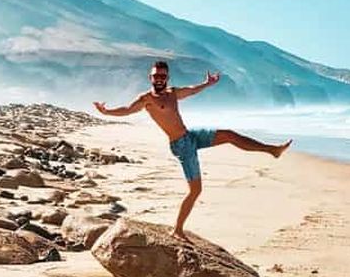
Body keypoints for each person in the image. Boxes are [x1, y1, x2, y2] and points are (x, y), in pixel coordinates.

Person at [93, 60, 292, 240]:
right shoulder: (146, 99)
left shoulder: (172, 93)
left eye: (163, 76)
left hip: (190, 136)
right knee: (196, 190)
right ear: (150, 77)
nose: (159, 79)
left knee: (230, 135)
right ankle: (178, 230)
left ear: (167, 77)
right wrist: (106, 111)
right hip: (180, 145)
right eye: (156, 76)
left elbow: (192, 90)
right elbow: (127, 110)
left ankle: (272, 150)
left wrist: (207, 84)